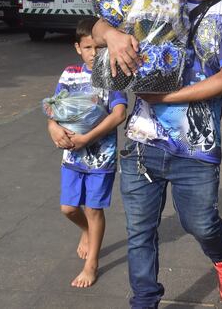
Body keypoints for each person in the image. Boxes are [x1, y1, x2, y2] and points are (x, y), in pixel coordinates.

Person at [93, 0, 222, 307]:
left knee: (201, 223)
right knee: (140, 231)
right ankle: (144, 301)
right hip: (143, 143)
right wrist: (111, 34)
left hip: (196, 148)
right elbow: (94, 26)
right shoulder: (156, 0)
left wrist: (167, 96)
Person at [48, 19, 128, 288]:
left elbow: (119, 113)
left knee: (93, 209)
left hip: (101, 157)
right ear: (78, 48)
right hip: (72, 155)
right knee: (68, 208)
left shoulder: (113, 74)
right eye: (88, 47)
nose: (94, 53)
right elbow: (54, 108)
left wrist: (88, 138)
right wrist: (52, 127)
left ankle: (91, 263)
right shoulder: (69, 74)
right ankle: (86, 231)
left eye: (99, 48)